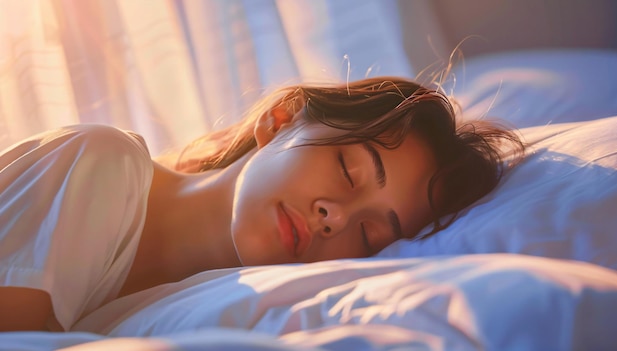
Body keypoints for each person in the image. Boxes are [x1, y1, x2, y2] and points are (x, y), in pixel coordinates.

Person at [0, 76, 524, 332]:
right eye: (349, 170)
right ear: (279, 120)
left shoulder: (233, 313)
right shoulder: (100, 164)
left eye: (369, 236)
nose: (334, 217)